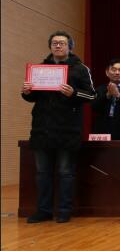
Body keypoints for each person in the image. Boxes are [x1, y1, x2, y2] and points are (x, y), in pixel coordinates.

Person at [21, 31, 95, 223]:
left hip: (67, 130)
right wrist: (27, 92)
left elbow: (91, 95)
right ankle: (43, 210)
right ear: (50, 46)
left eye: (62, 43)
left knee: (65, 172)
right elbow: (33, 97)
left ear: (70, 46)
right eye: (54, 43)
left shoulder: (80, 68)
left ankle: (64, 210)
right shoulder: (40, 69)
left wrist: (73, 93)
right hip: (42, 129)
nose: (58, 46)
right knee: (42, 173)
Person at [91, 58, 120, 140]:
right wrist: (107, 95)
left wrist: (118, 95)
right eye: (114, 70)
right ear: (107, 72)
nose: (117, 72)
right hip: (103, 132)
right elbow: (94, 107)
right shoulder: (100, 89)